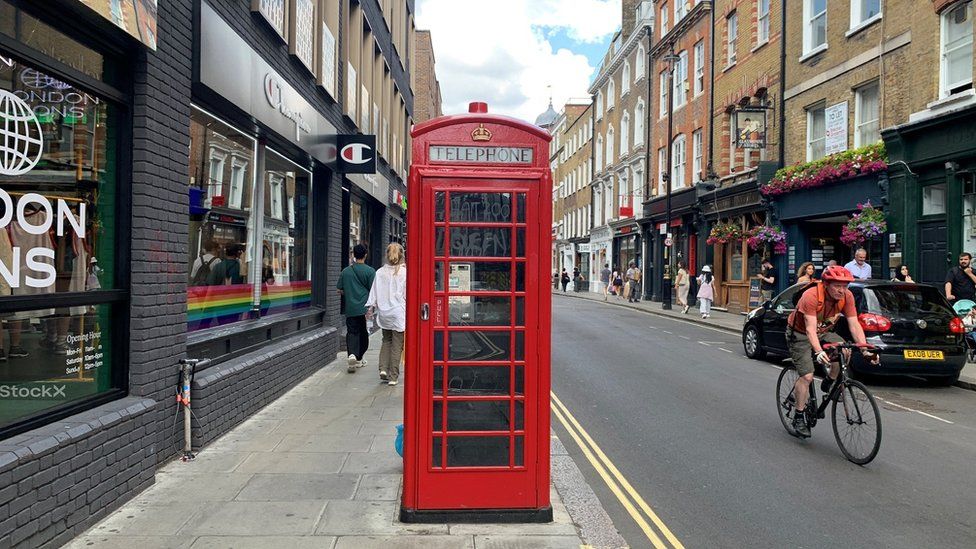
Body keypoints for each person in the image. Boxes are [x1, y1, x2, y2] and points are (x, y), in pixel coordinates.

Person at [786, 266, 879, 437]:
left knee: (845, 351)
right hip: (799, 333)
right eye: (837, 286)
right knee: (807, 376)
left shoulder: (847, 297)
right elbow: (809, 330)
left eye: (845, 286)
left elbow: (854, 324)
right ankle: (799, 416)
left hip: (824, 331)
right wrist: (818, 351)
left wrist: (865, 350)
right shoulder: (811, 296)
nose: (842, 290)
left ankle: (829, 381)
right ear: (827, 284)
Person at [366, 243, 406, 386]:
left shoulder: (379, 272)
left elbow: (374, 293)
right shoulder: (404, 273)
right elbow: (407, 295)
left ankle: (383, 368)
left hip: (384, 313)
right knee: (397, 345)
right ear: (401, 255)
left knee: (386, 340)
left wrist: (371, 308)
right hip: (398, 313)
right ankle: (393, 376)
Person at [337, 244, 376, 373]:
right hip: (365, 309)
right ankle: (359, 358)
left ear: (353, 254)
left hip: (351, 308)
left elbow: (339, 289)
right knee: (363, 332)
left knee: (352, 331)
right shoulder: (370, 271)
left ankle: (351, 354)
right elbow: (373, 291)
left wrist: (349, 292)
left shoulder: (346, 271)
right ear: (365, 255)